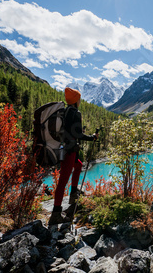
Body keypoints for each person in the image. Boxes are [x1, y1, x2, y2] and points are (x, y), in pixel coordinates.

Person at [48, 87, 98, 225]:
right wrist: (92, 137)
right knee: (63, 180)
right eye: (79, 99)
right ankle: (56, 213)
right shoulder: (76, 112)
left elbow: (70, 131)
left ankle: (73, 194)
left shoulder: (64, 111)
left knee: (79, 165)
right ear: (76, 100)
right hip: (70, 150)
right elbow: (78, 135)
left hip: (65, 148)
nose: (80, 101)